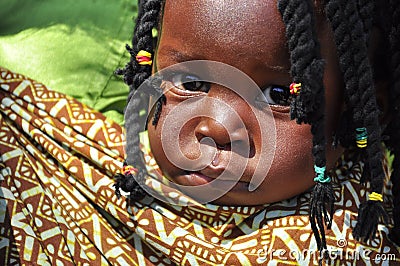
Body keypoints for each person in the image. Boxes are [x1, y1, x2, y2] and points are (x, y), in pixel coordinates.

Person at [1, 0, 399, 265]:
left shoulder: (342, 245)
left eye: (277, 95)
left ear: (363, 109)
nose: (213, 126)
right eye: (190, 83)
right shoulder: (67, 160)